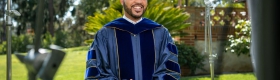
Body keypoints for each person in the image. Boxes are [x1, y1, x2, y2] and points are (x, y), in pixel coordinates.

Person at [85, 0, 180, 79]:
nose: (138, 1)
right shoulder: (105, 34)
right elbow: (95, 73)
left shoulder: (161, 33)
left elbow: (170, 70)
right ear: (122, 1)